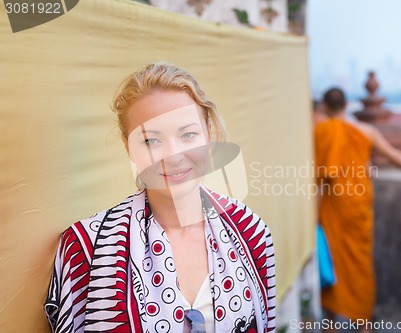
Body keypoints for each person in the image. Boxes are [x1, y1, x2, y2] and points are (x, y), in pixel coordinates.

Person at [44, 63, 276, 333]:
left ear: (208, 133)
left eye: (188, 135)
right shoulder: (87, 249)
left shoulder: (252, 232)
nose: (173, 156)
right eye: (151, 141)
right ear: (127, 146)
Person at [314, 87, 401, 330]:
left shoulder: (321, 131)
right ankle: (363, 325)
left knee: (334, 263)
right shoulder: (366, 131)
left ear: (324, 107)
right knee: (360, 265)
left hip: (333, 207)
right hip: (358, 207)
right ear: (347, 105)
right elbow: (396, 157)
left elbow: (319, 179)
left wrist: (314, 214)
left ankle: (330, 325)